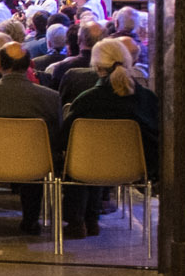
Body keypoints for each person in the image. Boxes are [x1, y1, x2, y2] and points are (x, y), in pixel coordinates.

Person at [57, 38, 158, 238]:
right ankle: (92, 219)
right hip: (136, 169)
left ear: (96, 66)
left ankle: (79, 220)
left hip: (87, 168)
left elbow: (63, 139)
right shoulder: (147, 98)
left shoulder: (87, 100)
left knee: (83, 155)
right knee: (96, 156)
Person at [0, 42, 61, 235]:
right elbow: (57, 135)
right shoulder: (50, 97)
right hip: (35, 166)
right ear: (29, 64)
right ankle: (31, 221)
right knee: (37, 153)